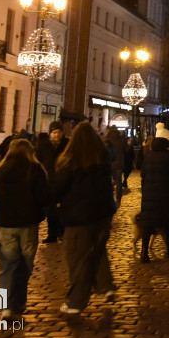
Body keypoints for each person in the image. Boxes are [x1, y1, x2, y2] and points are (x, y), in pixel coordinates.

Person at [53, 121, 118, 314]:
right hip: (103, 214)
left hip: (78, 216)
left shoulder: (70, 161)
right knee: (97, 251)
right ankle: (106, 287)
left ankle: (76, 302)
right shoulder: (102, 158)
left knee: (78, 258)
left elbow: (57, 189)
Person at [0, 138, 50, 319]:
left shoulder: (1, 169)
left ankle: (6, 307)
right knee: (25, 265)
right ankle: (19, 302)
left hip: (7, 225)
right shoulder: (35, 169)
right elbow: (43, 196)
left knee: (7, 266)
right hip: (28, 224)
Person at [137, 136, 169, 261]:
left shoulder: (149, 156)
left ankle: (144, 252)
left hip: (150, 195)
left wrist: (146, 189)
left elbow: (143, 174)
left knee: (148, 223)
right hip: (167, 194)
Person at [37, 122, 68, 243]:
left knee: (62, 210)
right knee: (50, 211)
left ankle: (62, 232)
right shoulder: (44, 146)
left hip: (63, 181)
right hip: (48, 183)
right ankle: (52, 234)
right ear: (50, 134)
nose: (56, 135)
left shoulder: (67, 145)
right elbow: (38, 161)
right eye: (54, 133)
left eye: (59, 133)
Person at [104, 126, 125, 205]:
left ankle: (109, 197)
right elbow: (126, 150)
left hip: (108, 163)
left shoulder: (106, 139)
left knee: (109, 180)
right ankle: (118, 198)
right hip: (118, 163)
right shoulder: (121, 140)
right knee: (119, 181)